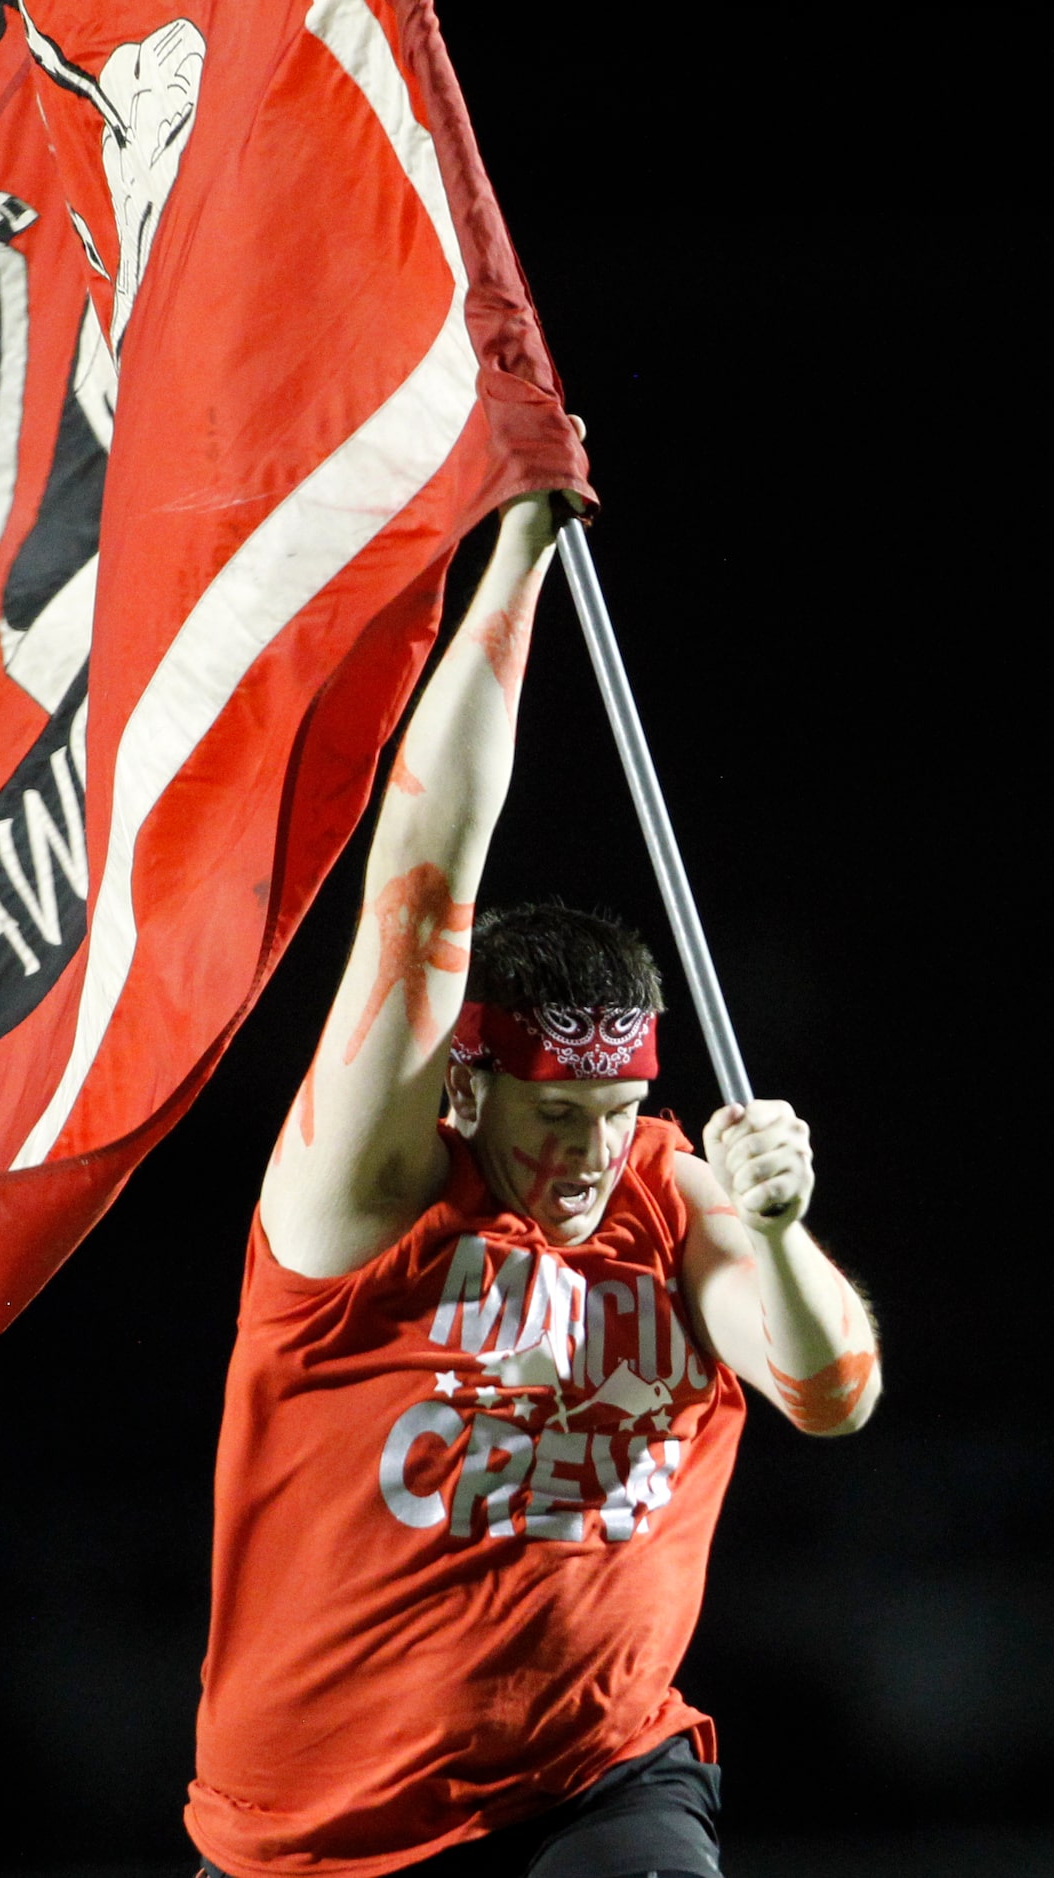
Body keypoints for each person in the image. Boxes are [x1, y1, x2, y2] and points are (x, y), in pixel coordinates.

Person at [185, 484, 881, 1878]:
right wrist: (513, 563)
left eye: (611, 1110)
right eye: (549, 1114)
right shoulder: (360, 1194)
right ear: (463, 1085)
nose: (581, 1153)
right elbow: (422, 865)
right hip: (316, 1834)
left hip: (598, 1782)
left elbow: (831, 1389)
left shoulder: (670, 1191)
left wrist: (784, 1232)